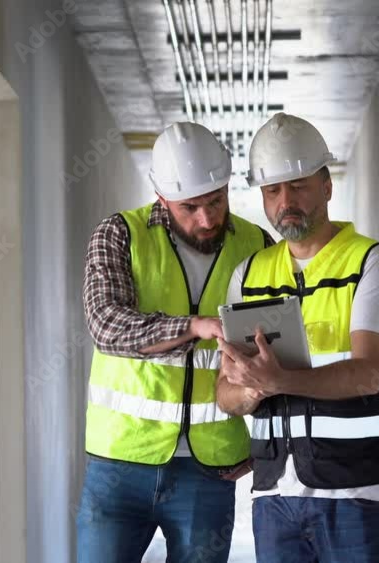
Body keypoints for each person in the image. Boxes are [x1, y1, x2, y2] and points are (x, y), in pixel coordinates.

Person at [215, 113, 379, 563]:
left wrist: (278, 380)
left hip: (358, 493)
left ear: (326, 186)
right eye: (272, 190)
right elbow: (225, 393)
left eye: (298, 186)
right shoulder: (249, 275)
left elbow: (367, 375)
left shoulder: (369, 263)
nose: (286, 201)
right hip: (274, 498)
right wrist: (250, 390)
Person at [77, 121, 274, 563]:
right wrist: (194, 327)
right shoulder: (120, 235)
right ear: (161, 197)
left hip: (210, 470)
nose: (207, 219)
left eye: (216, 200)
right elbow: (107, 326)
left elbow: (279, 353)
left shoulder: (257, 246)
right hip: (119, 463)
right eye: (190, 207)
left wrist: (267, 445)